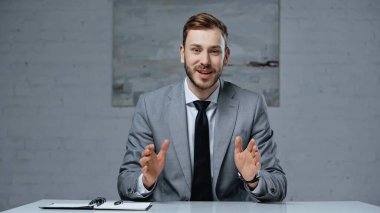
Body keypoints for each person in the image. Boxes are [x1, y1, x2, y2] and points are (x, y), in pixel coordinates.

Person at [117, 12, 286, 202]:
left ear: (226, 56)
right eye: (196, 50)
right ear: (183, 53)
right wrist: (146, 180)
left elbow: (277, 184)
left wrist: (253, 179)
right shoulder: (150, 106)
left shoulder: (252, 106)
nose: (205, 61)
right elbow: (126, 181)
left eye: (214, 51)